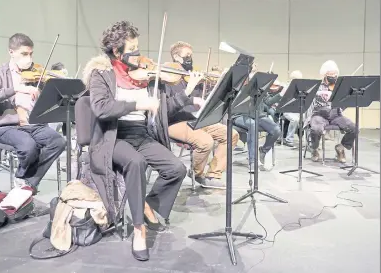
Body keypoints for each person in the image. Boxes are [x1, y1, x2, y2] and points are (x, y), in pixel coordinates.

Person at [82, 21, 187, 261]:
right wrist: (139, 104)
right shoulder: (102, 74)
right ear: (118, 52)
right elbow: (101, 108)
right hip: (113, 136)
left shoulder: (144, 76)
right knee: (136, 162)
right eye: (133, 48)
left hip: (141, 134)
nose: (139, 55)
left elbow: (164, 108)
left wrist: (185, 89)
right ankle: (139, 229)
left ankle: (148, 203)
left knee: (177, 169)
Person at [0, 33, 66, 194]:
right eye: (24, 54)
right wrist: (16, 88)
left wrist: (46, 91)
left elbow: (49, 101)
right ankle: (24, 178)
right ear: (11, 52)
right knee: (28, 146)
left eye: (31, 54)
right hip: (8, 126)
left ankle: (27, 181)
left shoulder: (35, 73)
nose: (29, 58)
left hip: (33, 123)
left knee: (58, 142)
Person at [165, 41, 239, 189]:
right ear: (176, 57)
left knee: (231, 134)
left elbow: (202, 100)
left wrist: (221, 82)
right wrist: (190, 92)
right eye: (187, 55)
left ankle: (213, 174)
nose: (190, 59)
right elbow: (168, 107)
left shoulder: (191, 76)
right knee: (206, 142)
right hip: (173, 122)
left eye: (191, 56)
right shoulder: (167, 77)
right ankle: (196, 173)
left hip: (194, 119)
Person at [233, 65, 282, 172]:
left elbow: (268, 102)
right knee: (252, 124)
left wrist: (280, 94)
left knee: (276, 130)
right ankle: (252, 161)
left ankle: (263, 151)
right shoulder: (239, 85)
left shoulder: (260, 87)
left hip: (257, 115)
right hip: (239, 115)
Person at [307, 60, 356, 163]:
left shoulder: (339, 87)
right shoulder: (317, 86)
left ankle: (341, 148)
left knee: (353, 128)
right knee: (316, 129)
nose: (333, 76)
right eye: (330, 74)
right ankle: (314, 149)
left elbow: (344, 104)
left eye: (335, 74)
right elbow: (312, 102)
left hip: (335, 114)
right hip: (319, 114)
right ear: (324, 75)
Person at [281, 70, 304, 148]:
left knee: (308, 119)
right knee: (295, 120)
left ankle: (309, 141)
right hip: (287, 110)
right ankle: (289, 139)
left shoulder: (301, 88)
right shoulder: (286, 87)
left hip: (297, 110)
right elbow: (281, 101)